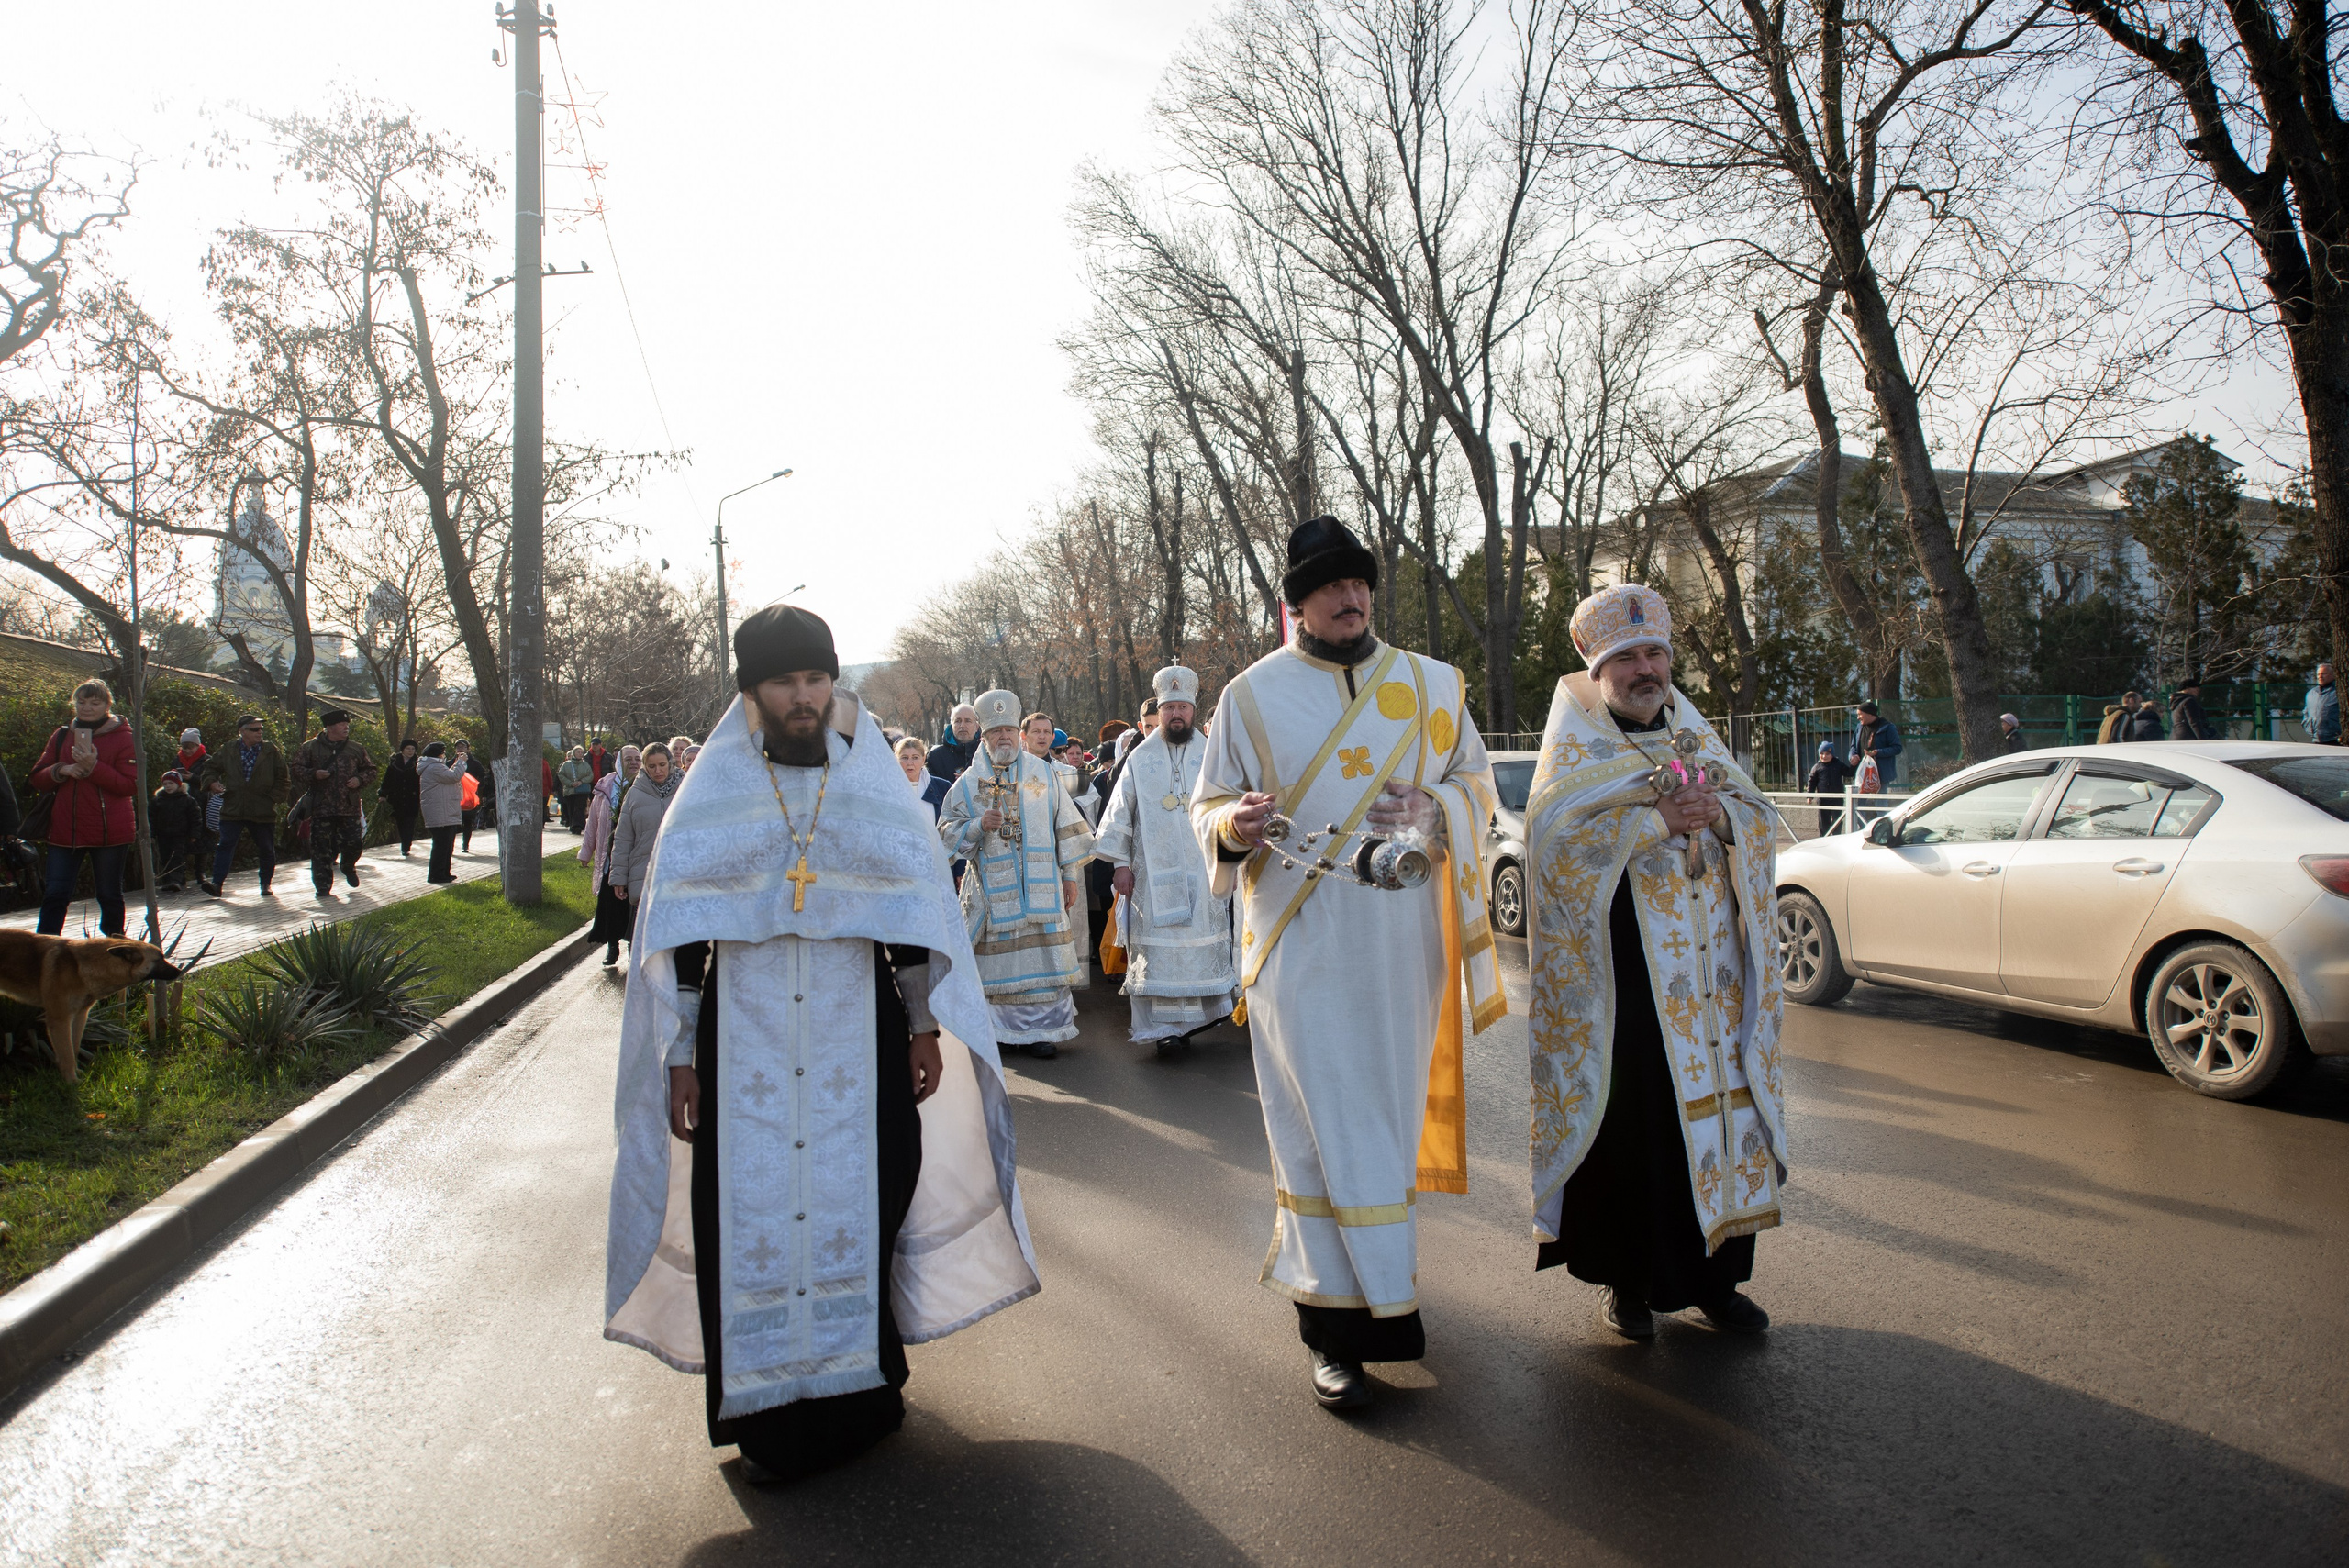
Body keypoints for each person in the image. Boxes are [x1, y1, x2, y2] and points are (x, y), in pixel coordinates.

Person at [604, 602, 1039, 1484]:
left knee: (867, 1193)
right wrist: (680, 1052)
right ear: (752, 691)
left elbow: (911, 914)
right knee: (748, 1209)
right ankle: (765, 1412)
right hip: (744, 1036)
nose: (803, 697)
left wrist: (923, 1023)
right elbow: (682, 937)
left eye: (815, 679)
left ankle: (861, 1389)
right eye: (784, 682)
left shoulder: (872, 782)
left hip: (857, 1028)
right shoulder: (714, 791)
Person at [1191, 516, 1505, 1411]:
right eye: (1330, 586)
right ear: (1297, 604)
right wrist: (1230, 825)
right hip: (1303, 945)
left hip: (1400, 944)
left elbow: (1479, 787)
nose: (1349, 596)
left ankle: (1387, 1302)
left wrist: (1436, 805)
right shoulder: (1249, 697)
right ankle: (1331, 1330)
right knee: (1318, 1128)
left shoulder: (1434, 686)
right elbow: (1207, 806)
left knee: (1381, 1124)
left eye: (1360, 582)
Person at [1520, 584, 1785, 1343]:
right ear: (1598, 671)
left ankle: (1717, 1283)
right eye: (1627, 657)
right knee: (1637, 1133)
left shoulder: (1696, 734)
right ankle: (1628, 1287)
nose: (1646, 668)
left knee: (1724, 1125)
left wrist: (1726, 816)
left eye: (1655, 653)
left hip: (1713, 987)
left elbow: (1761, 818)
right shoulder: (1578, 747)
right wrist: (1650, 821)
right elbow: (1552, 848)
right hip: (1626, 988)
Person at [937, 689, 1094, 1058]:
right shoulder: (967, 782)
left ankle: (1042, 1031)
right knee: (997, 960)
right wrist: (977, 825)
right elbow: (945, 831)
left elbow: (1065, 827)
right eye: (996, 732)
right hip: (993, 893)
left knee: (1042, 959)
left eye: (1009, 729)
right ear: (984, 736)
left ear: (1017, 734)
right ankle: (998, 1032)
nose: (1003, 737)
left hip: (1042, 887)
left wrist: (1069, 875)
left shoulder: (1042, 772)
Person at [1095, 665, 1240, 1052]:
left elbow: (1228, 808)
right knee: (1159, 951)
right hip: (1149, 873)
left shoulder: (1212, 756)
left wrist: (1231, 858)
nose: (1177, 715)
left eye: (1184, 708)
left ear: (1194, 711)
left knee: (1197, 945)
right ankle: (1163, 1031)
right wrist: (1120, 865)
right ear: (1159, 712)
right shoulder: (1139, 760)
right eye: (1170, 707)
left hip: (1201, 872)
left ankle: (1194, 1023)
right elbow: (1119, 812)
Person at [28, 681, 140, 936]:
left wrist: (93, 766)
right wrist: (61, 770)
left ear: (107, 705)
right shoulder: (61, 735)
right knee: (55, 895)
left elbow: (129, 786)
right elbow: (36, 777)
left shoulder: (125, 737)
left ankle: (115, 953)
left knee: (109, 895)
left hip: (109, 833)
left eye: (95, 703)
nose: (87, 708)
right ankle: (42, 954)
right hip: (64, 830)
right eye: (81, 702)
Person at [198, 713, 289, 900]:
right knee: (225, 845)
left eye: (261, 729)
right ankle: (217, 884)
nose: (259, 732)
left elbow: (283, 777)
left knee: (266, 847)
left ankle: (265, 884)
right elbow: (210, 768)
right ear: (242, 731)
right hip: (233, 806)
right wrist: (211, 783)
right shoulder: (228, 749)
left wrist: (273, 798)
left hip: (262, 808)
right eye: (255, 729)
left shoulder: (270, 750)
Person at [295, 706, 378, 897]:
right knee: (321, 849)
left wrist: (360, 779)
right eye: (341, 724)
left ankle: (348, 866)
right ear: (329, 727)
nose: (345, 727)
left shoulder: (356, 748)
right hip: (321, 807)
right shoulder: (310, 748)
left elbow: (371, 770)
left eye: (346, 724)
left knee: (354, 844)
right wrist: (313, 774)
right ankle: (323, 887)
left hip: (348, 807)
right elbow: (296, 769)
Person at [584, 744, 643, 966]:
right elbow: (593, 823)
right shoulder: (607, 786)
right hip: (610, 855)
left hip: (636, 855)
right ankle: (612, 946)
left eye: (638, 759)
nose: (634, 763)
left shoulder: (645, 784)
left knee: (631, 903)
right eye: (629, 759)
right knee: (610, 902)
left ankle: (631, 945)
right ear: (619, 761)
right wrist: (585, 851)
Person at [607, 742, 680, 911]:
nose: (657, 770)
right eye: (651, 766)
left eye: (662, 765)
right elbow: (623, 838)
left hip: (679, 874)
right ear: (644, 767)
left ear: (670, 763)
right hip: (644, 874)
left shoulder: (686, 789)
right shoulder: (634, 794)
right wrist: (618, 878)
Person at [417, 742, 468, 884]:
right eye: (443, 752)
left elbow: (449, 775)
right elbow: (454, 776)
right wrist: (462, 762)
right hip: (440, 813)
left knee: (447, 845)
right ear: (437, 754)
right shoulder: (434, 767)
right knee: (441, 845)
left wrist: (457, 763)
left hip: (444, 812)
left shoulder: (434, 767)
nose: (444, 755)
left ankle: (444, 872)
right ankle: (436, 875)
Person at [150, 771, 201, 893]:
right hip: (163, 835)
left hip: (180, 835)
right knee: (165, 857)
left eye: (171, 783)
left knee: (177, 857)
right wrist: (151, 834)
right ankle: (169, 881)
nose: (168, 786)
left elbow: (195, 818)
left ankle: (175, 881)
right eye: (165, 783)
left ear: (178, 784)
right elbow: (151, 818)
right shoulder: (158, 801)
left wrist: (194, 834)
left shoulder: (187, 800)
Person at [380, 740, 423, 855]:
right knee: (400, 822)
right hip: (397, 797)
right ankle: (404, 842)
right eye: (408, 748)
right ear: (403, 749)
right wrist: (383, 794)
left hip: (412, 798)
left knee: (410, 822)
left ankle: (406, 846)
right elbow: (387, 779)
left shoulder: (418, 763)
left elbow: (422, 781)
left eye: (413, 749)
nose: (410, 751)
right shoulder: (394, 762)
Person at [1802, 743, 1850, 837]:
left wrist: (1854, 764)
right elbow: (1811, 782)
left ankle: (1836, 838)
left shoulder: (1838, 764)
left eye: (1827, 754)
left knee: (1837, 821)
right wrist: (1809, 796)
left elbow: (1848, 772)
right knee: (1823, 822)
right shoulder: (1817, 767)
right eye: (1822, 753)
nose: (1824, 756)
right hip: (1823, 799)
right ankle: (1823, 839)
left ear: (1832, 754)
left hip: (1837, 799)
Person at [926, 703, 982, 783]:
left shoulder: (986, 754)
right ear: (951, 725)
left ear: (977, 727)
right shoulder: (936, 757)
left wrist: (973, 782)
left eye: (968, 721)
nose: (962, 725)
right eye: (957, 721)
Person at [1853, 699, 1902, 786]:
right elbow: (1853, 747)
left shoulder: (1888, 727)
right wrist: (1852, 756)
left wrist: (1878, 752)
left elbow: (1897, 748)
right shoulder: (1859, 727)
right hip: (1862, 773)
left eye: (1860, 714)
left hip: (1880, 775)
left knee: (1880, 799)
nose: (1858, 717)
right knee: (1858, 799)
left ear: (1870, 714)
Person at [557, 746, 595, 832]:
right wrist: (570, 783)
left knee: (580, 808)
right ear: (574, 753)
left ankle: (577, 826)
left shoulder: (585, 764)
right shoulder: (566, 764)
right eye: (578, 752)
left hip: (582, 790)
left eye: (582, 752)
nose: (580, 754)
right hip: (570, 791)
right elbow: (561, 775)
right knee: (571, 808)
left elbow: (590, 775)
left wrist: (581, 781)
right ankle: (573, 824)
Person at [2170, 676, 2218, 740]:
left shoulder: (2176, 702)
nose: (2198, 689)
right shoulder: (2189, 701)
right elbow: (2194, 722)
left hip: (2177, 736)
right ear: (2186, 688)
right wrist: (2204, 740)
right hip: (2190, 737)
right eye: (2194, 686)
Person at [2308, 662, 2340, 744]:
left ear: (2332, 675)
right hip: (2316, 738)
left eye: (2324, 674)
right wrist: (2309, 729)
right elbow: (2306, 713)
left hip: (2335, 739)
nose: (2320, 676)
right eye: (2318, 674)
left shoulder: (2339, 692)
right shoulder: (2312, 693)